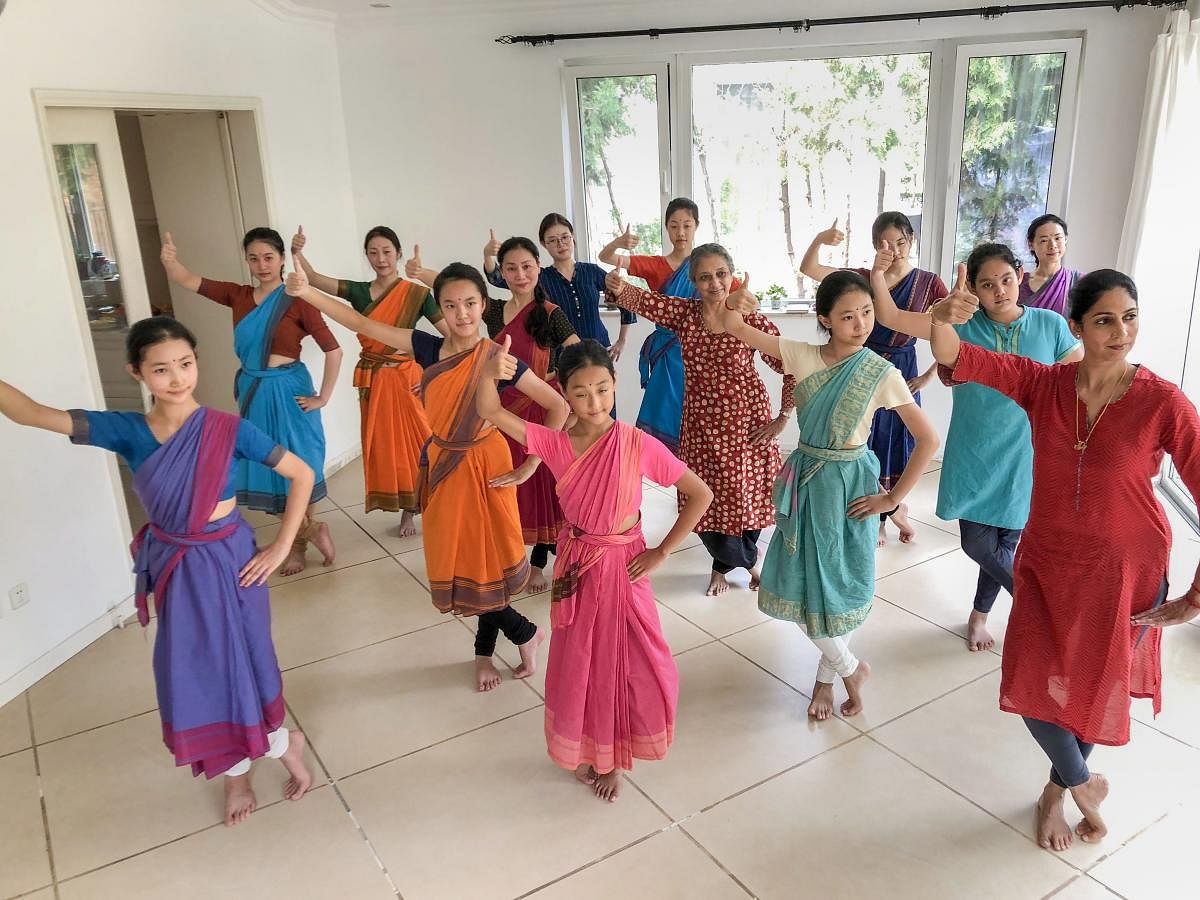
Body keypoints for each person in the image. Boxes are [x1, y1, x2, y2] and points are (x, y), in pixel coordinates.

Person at [0, 317, 314, 827]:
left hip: (233, 563)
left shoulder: (227, 428)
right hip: (177, 568)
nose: (177, 378)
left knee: (250, 659)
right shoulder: (127, 431)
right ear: (138, 373)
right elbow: (34, 414)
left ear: (197, 362)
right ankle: (236, 773)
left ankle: (285, 745)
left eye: (185, 364)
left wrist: (281, 546)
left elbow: (300, 473)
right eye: (161, 369)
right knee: (200, 671)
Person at [927, 267, 1200, 852]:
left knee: (1094, 687)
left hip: (1126, 570)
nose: (1120, 332)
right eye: (1104, 320)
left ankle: (1054, 793)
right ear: (1076, 325)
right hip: (1048, 560)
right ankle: (1082, 782)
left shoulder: (1163, 402)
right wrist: (942, 320)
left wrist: (1196, 594)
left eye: (1129, 317)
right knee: (1029, 680)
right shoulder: (1044, 383)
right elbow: (963, 357)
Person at [285, 261, 571, 692]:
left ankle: (509, 641)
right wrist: (306, 291)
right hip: (443, 464)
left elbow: (559, 406)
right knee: (462, 564)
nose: (462, 314)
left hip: (487, 466)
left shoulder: (498, 357)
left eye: (471, 303)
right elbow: (360, 321)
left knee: (485, 562)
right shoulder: (426, 347)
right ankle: (515, 638)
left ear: (482, 305)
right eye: (451, 305)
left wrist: (533, 461)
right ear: (439, 308)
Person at [477, 339, 712, 802]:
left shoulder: (636, 443)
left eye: (603, 389)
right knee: (581, 661)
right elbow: (490, 409)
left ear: (615, 384)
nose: (594, 403)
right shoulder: (555, 442)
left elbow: (699, 493)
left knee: (633, 659)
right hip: (578, 567)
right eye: (581, 393)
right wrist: (491, 368)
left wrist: (662, 552)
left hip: (626, 568)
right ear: (563, 392)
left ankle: (616, 757)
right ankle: (593, 749)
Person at [720, 271, 938, 720]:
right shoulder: (800, 355)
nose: (861, 324)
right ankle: (850, 668)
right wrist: (737, 303)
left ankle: (828, 678)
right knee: (797, 583)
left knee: (837, 582)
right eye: (847, 316)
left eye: (866, 313)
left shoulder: (881, 372)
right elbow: (735, 328)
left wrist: (891, 500)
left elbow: (928, 440)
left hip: (851, 485)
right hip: (807, 481)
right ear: (824, 319)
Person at [868, 242, 1081, 652]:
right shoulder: (960, 323)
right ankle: (1041, 607)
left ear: (1021, 275)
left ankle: (980, 616)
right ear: (976, 290)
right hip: (975, 449)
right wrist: (934, 313)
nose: (999, 290)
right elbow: (890, 316)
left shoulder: (1050, 325)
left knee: (1006, 544)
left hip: (1027, 452)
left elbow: (1077, 378)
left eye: (1005, 279)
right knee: (977, 543)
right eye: (987, 284)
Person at [605, 244, 794, 596]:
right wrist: (614, 283)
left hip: (747, 425)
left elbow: (790, 365)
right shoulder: (684, 313)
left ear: (732, 275)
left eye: (721, 274)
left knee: (745, 502)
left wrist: (783, 417)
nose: (715, 283)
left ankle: (723, 566)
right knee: (704, 505)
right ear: (693, 282)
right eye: (705, 277)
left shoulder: (749, 318)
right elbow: (642, 300)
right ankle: (750, 565)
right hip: (700, 426)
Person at [160, 228, 341, 576]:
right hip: (255, 391)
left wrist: (323, 396)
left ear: (282, 259)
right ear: (246, 259)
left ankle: (296, 546)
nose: (262, 265)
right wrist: (170, 261)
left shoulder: (298, 297)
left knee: (298, 466)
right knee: (265, 466)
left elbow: (334, 350)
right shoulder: (237, 295)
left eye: (269, 257)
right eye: (254, 258)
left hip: (290, 393)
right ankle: (308, 532)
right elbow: (187, 279)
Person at [291, 224, 449, 537]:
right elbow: (315, 281)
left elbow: (449, 337)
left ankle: (426, 505)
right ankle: (407, 509)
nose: (381, 258)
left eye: (387, 251)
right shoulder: (359, 291)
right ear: (366, 256)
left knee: (421, 444)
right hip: (375, 381)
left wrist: (434, 375)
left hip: (409, 380)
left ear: (399, 254)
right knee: (389, 448)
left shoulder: (417, 294)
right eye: (373, 252)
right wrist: (297, 252)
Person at [800, 212, 947, 545]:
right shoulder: (864, 277)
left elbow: (949, 331)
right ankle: (883, 515)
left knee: (898, 445)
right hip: (860, 364)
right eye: (886, 243)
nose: (895, 249)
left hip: (902, 368)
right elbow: (810, 269)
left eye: (901, 242)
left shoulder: (928, 282)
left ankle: (892, 509)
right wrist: (821, 239)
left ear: (912, 241)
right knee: (862, 442)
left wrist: (928, 376)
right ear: (874, 245)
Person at [598, 197, 705, 455]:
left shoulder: (707, 264)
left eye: (687, 225)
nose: (680, 233)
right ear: (666, 228)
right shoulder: (656, 265)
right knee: (664, 415)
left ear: (696, 227)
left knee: (700, 417)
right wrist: (619, 244)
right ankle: (669, 471)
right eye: (674, 225)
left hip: (700, 353)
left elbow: (732, 293)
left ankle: (698, 480)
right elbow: (606, 256)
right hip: (668, 354)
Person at [475, 214, 636, 365]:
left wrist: (622, 340)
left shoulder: (591, 271)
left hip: (599, 349)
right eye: (552, 240)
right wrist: (488, 256)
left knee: (602, 392)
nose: (561, 244)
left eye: (565, 237)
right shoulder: (540, 276)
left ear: (573, 237)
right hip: (560, 358)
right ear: (544, 244)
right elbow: (498, 278)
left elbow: (626, 300)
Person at [1019, 213, 1081, 318]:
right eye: (1044, 240)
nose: (1052, 245)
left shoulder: (1079, 282)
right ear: (1031, 245)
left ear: (1065, 239)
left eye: (1058, 238)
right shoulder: (1018, 282)